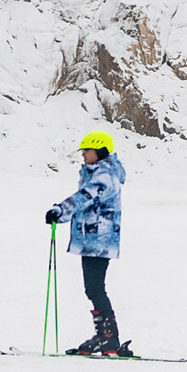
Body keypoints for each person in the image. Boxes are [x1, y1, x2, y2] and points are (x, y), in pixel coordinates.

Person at [45, 129, 131, 357]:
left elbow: (85, 197)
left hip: (99, 240)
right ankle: (107, 338)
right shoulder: (99, 173)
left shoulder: (104, 175)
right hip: (93, 240)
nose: (83, 155)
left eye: (87, 150)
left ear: (100, 151)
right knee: (93, 288)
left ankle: (108, 338)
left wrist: (59, 211)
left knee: (94, 288)